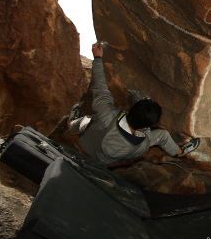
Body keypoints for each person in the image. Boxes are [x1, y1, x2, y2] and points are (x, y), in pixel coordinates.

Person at [69, 41, 199, 165]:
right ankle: (179, 152)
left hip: (86, 143)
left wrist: (97, 58)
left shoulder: (106, 114)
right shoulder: (141, 146)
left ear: (131, 109)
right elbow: (134, 149)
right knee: (163, 135)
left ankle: (72, 124)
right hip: (102, 160)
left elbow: (100, 86)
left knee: (87, 119)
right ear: (147, 126)